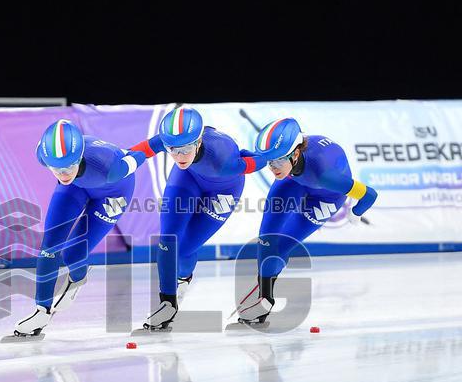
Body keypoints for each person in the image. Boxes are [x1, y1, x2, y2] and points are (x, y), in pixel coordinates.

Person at [129, 107, 262, 330]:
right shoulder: (174, 139)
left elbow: (257, 161)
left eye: (186, 149)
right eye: (172, 150)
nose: (179, 156)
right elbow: (138, 151)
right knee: (168, 240)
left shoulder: (224, 159)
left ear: (198, 142)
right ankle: (167, 303)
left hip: (223, 190)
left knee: (185, 248)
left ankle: (184, 278)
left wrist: (267, 156)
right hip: (188, 179)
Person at [237, 117, 378, 325]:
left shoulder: (324, 175)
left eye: (278, 161)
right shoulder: (283, 161)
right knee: (267, 239)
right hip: (293, 180)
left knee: (282, 246)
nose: (273, 168)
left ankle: (266, 290)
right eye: (269, 162)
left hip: (326, 195)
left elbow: (370, 195)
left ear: (295, 153)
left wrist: (355, 213)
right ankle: (264, 299)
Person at [12, 119, 146, 338]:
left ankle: (78, 277)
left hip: (113, 193)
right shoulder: (43, 155)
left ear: (80, 157)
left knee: (73, 254)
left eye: (68, 167)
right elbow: (64, 172)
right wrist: (69, 172)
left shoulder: (111, 166)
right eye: (56, 169)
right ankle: (41, 311)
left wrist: (171, 141)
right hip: (77, 188)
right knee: (50, 245)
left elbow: (144, 152)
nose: (63, 174)